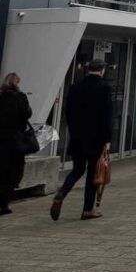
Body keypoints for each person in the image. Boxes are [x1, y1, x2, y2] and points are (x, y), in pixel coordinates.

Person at [50, 59, 112, 221]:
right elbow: (106, 115)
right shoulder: (104, 88)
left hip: (78, 137)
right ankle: (87, 210)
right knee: (93, 173)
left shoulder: (75, 87)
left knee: (77, 169)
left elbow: (68, 113)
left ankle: (62, 192)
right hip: (96, 138)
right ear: (102, 70)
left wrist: (74, 131)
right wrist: (107, 139)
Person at [0, 72, 32, 216]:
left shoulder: (1, 96)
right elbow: (27, 114)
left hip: (1, 139)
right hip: (15, 141)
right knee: (13, 172)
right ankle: (3, 204)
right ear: (17, 83)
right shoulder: (20, 97)